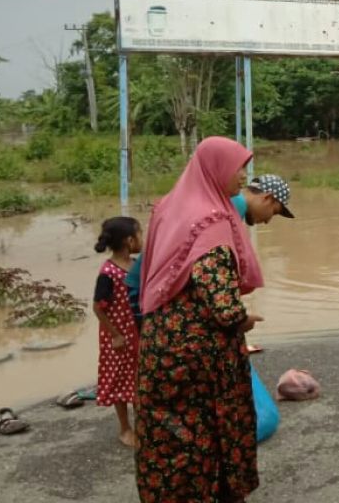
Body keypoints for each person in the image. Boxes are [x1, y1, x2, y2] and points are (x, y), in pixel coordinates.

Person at [134, 137, 265, 503]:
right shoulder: (211, 222)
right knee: (208, 428)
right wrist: (243, 318)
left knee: (167, 429)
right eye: (239, 167)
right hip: (197, 356)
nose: (243, 176)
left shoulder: (169, 207)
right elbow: (221, 303)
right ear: (216, 168)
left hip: (159, 342)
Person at [124, 173, 294, 326]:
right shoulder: (232, 209)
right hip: (149, 288)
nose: (268, 220)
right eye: (274, 211)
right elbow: (211, 268)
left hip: (149, 282)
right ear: (267, 199)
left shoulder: (227, 203)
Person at [91, 216, 143, 448]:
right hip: (119, 336)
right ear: (130, 240)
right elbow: (97, 307)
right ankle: (125, 429)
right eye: (140, 234)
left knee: (139, 378)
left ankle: (143, 426)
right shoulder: (108, 273)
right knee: (120, 379)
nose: (143, 239)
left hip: (137, 333)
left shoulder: (135, 264)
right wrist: (115, 335)